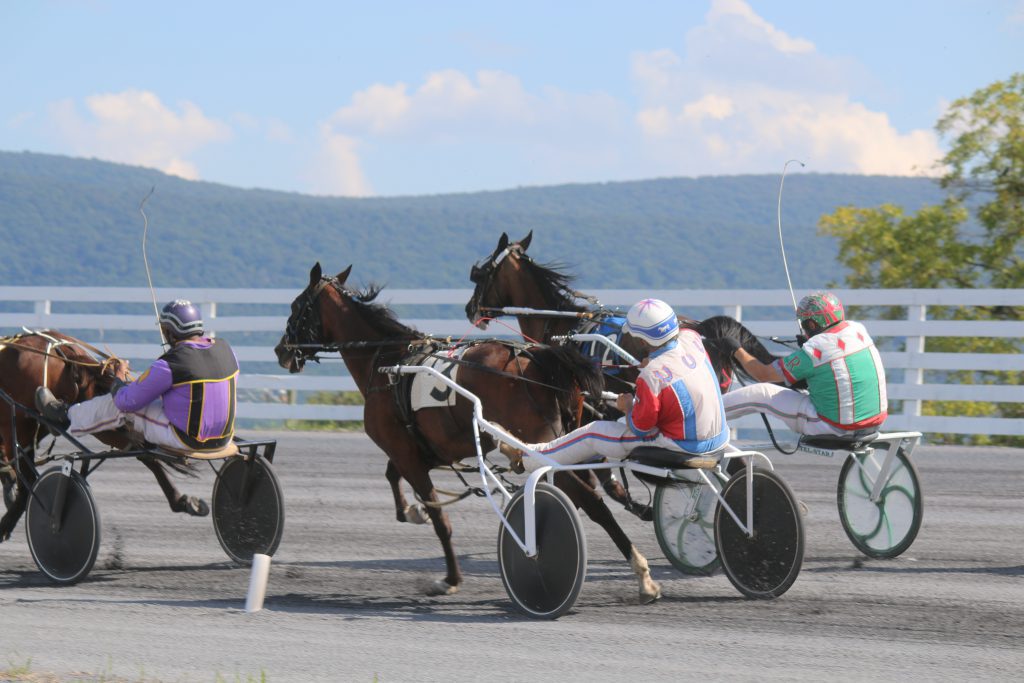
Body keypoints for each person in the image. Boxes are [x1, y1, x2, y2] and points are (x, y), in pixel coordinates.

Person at [500, 298, 729, 471]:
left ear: (641, 340)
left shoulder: (651, 376)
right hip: (719, 435)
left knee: (592, 433)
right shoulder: (692, 339)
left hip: (681, 445)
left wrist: (627, 406)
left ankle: (526, 458)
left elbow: (640, 427)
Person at [36, 299, 239, 453]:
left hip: (186, 439)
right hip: (225, 437)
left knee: (115, 406)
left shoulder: (170, 363)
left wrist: (119, 375)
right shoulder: (226, 349)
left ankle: (66, 416)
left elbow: (126, 402)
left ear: (169, 332)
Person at [720, 291, 887, 437]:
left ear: (812, 324)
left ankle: (703, 417)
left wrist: (736, 350)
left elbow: (763, 374)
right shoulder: (858, 329)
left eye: (804, 324)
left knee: (761, 392)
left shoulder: (813, 350)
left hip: (836, 427)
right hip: (875, 421)